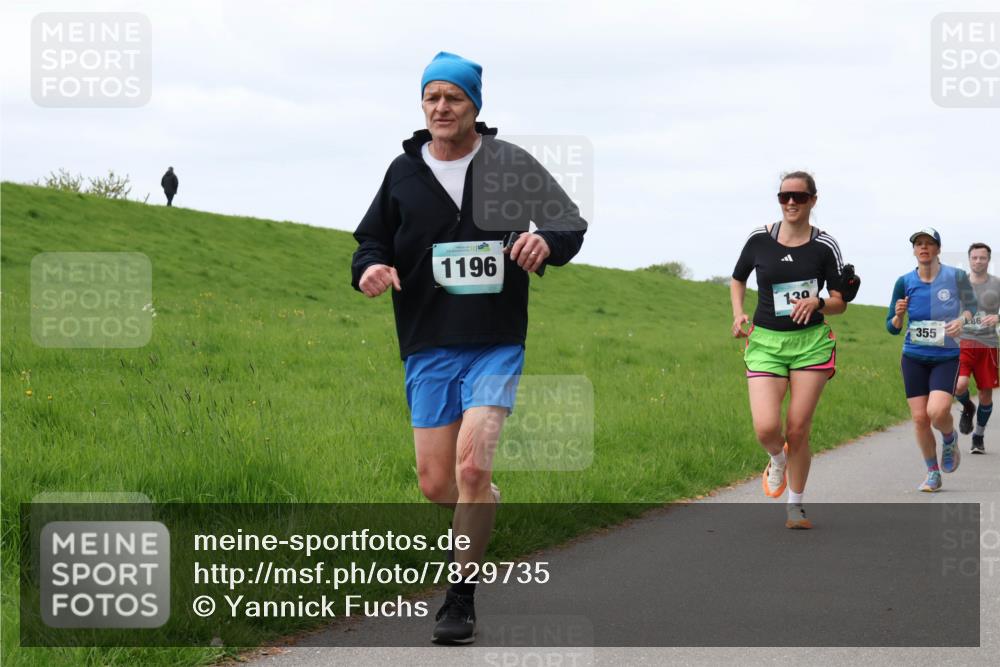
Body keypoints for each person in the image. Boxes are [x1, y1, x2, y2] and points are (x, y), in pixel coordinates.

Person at [350, 52, 585, 644]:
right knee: (438, 484)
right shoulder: (403, 173)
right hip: (427, 341)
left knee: (472, 464)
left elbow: (568, 223)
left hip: (494, 339)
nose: (441, 107)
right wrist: (370, 268)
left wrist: (544, 241)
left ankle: (459, 598)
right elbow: (371, 241)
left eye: (453, 97)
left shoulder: (508, 162)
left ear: (474, 106)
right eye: (431, 97)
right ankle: (481, 501)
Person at [731, 171, 847, 529]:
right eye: (785, 196)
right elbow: (738, 278)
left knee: (797, 429)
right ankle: (777, 459)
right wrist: (738, 313)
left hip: (810, 345)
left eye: (799, 196)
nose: (791, 202)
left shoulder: (825, 245)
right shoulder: (759, 239)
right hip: (766, 342)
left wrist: (818, 302)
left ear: (813, 200)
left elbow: (840, 302)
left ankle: (795, 505)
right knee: (767, 428)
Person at [886, 228, 977, 491]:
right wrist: (898, 316)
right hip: (913, 357)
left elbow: (972, 308)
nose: (923, 247)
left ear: (938, 249)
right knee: (919, 419)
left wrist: (961, 321)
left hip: (945, 357)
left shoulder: (956, 277)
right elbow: (891, 327)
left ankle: (949, 437)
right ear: (914, 250)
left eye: (929, 243)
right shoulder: (904, 282)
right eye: (918, 244)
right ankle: (932, 473)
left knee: (936, 413)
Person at [955, 242, 1000, 454]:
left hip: (988, 345)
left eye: (982, 258)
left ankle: (978, 436)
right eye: (974, 257)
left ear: (988, 260)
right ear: (969, 259)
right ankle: (967, 406)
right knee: (959, 385)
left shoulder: (997, 284)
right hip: (962, 343)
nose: (978, 261)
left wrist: (998, 317)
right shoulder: (959, 284)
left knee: (985, 394)